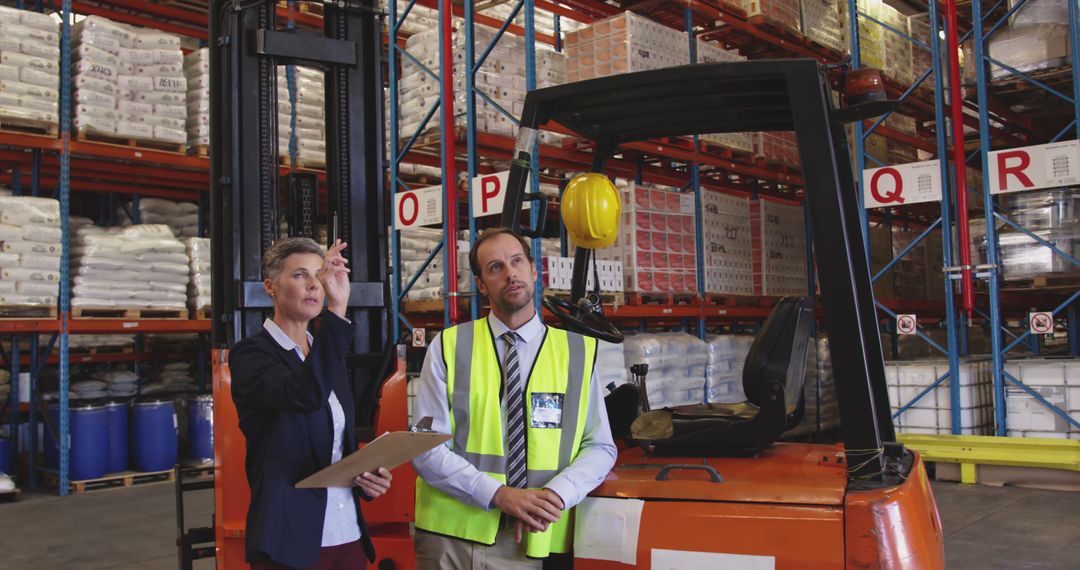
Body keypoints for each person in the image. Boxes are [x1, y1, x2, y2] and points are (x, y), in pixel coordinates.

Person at [412, 228, 617, 569]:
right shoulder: (449, 346)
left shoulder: (577, 353)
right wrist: (498, 494)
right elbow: (424, 446)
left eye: (517, 261)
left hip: (536, 536)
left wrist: (557, 494)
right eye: (495, 267)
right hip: (452, 537)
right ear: (480, 284)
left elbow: (601, 446)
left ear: (534, 270)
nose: (510, 273)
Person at [230, 237, 394, 569]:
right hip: (291, 540)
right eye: (300, 275)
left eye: (319, 276)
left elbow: (336, 445)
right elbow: (304, 394)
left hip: (347, 534)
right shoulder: (251, 356)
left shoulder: (324, 354)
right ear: (270, 286)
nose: (314, 286)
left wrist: (367, 478)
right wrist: (337, 310)